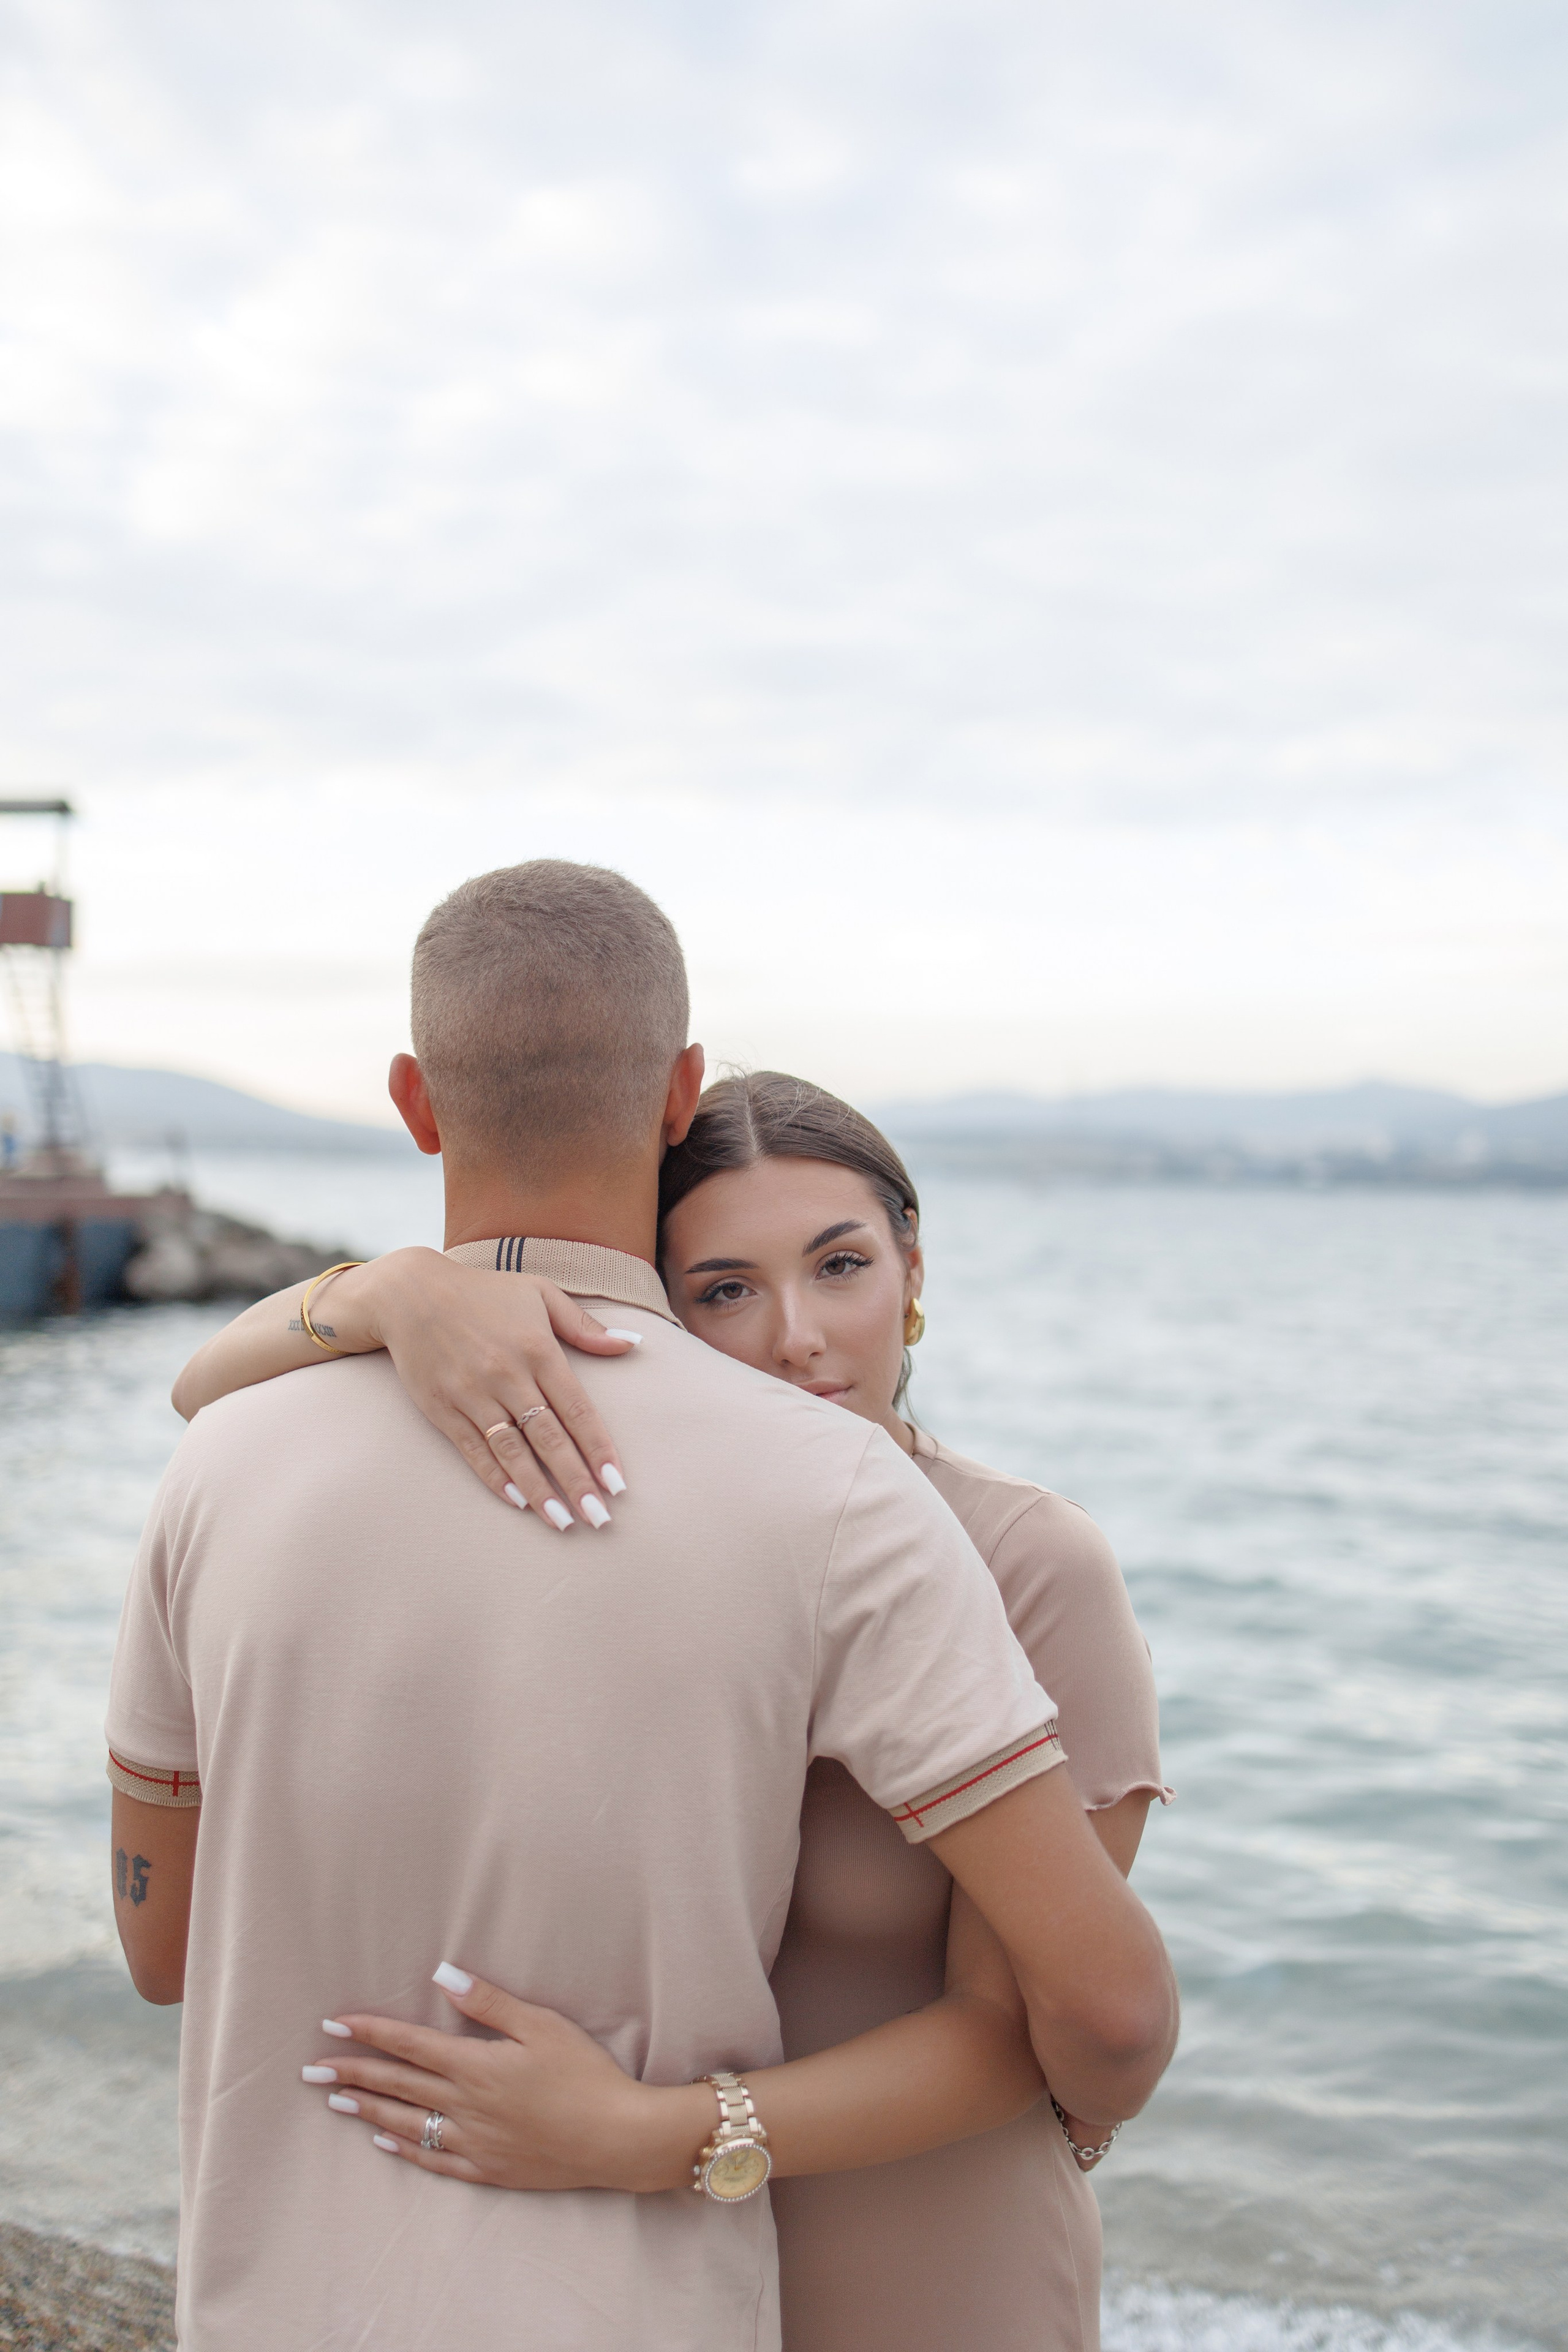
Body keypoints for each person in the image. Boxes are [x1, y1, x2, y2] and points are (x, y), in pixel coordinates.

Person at [109, 861, 1176, 2352]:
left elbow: (164, 1952)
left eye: (841, 1267)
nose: (796, 1337)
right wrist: (381, 1298)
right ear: (677, 1097)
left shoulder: (220, 1467)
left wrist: (638, 2128)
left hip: (850, 2254)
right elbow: (1116, 2016)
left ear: (415, 1105)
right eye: (724, 1287)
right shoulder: (825, 1505)